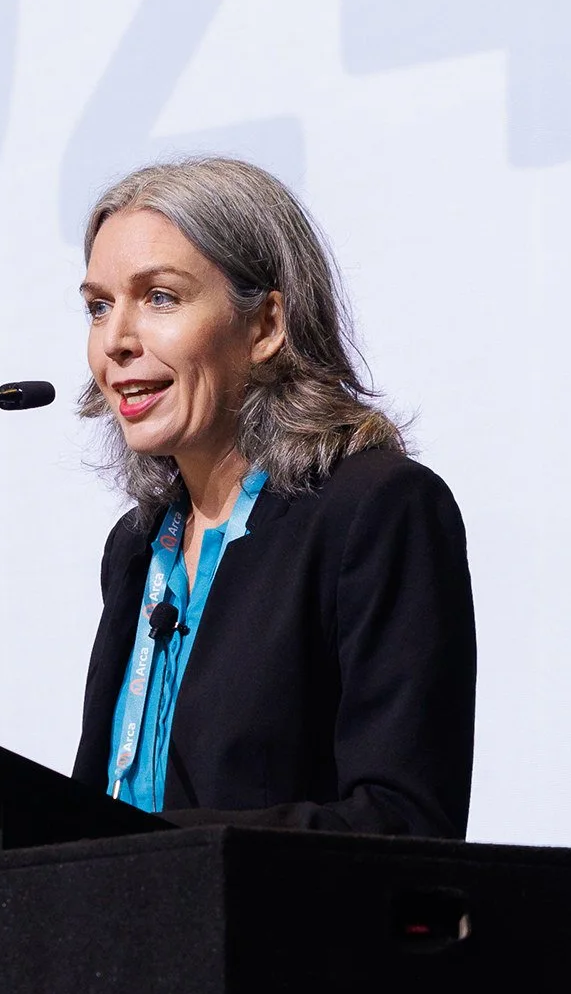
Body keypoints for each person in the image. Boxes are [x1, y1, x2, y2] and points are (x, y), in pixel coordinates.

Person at [73, 156, 476, 834]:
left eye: (161, 298)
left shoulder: (377, 511)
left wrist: (166, 854)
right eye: (99, 307)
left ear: (265, 326)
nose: (115, 341)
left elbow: (405, 820)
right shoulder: (137, 548)